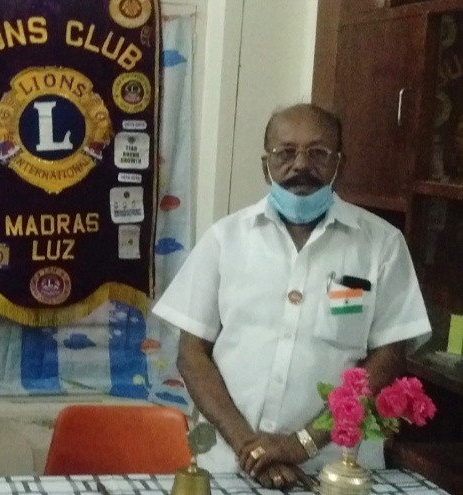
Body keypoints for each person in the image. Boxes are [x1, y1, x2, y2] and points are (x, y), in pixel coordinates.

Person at [152, 104, 431, 489]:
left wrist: (301, 444)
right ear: (265, 165)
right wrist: (251, 449)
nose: (301, 164)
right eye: (285, 152)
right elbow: (191, 353)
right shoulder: (225, 239)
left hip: (338, 468)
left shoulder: (381, 244)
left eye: (318, 153)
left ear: (340, 164)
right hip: (229, 463)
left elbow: (388, 358)